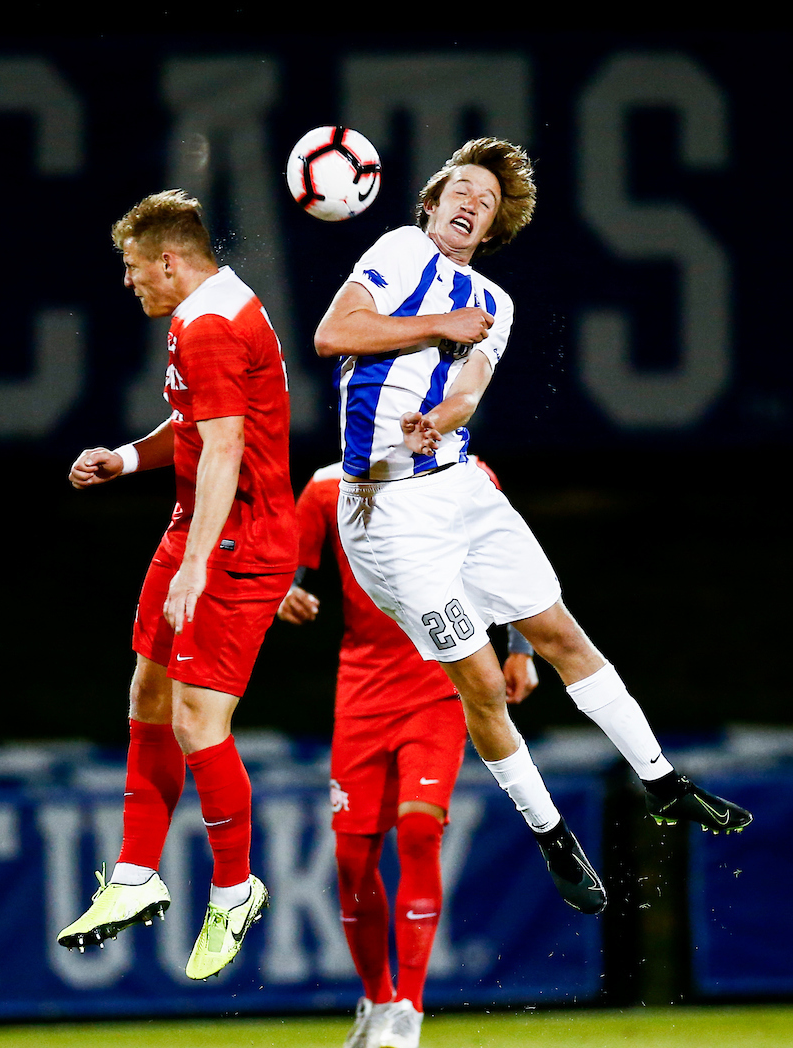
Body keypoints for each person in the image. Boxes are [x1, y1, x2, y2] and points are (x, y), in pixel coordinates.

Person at [313, 137, 752, 919]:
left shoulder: (497, 305)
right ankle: (551, 835)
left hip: (458, 486)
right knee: (482, 682)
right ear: (432, 199)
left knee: (560, 634)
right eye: (463, 188)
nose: (472, 202)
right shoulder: (401, 249)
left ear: (491, 230)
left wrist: (440, 415)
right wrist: (439, 325)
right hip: (387, 520)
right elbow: (334, 335)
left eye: (486, 201)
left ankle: (661, 782)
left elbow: (470, 389)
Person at [58, 190, 297, 981]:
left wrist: (199, 563)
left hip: (237, 540)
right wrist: (125, 459)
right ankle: (134, 876)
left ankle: (235, 888)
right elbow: (197, 430)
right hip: (197, 523)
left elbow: (226, 448)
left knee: (200, 722)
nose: (129, 283)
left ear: (168, 260)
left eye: (133, 268)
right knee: (148, 696)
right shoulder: (205, 314)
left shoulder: (211, 326)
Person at [278, 457, 537, 1048]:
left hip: (442, 675)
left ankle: (409, 1005)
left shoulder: (465, 472)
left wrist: (521, 649)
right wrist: (283, 593)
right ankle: (374, 999)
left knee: (420, 829)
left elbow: (512, 563)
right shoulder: (322, 488)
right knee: (350, 858)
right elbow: (291, 567)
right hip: (362, 688)